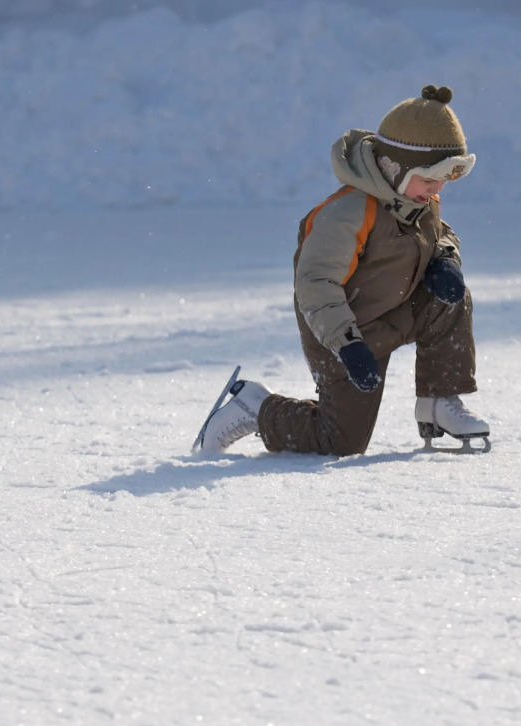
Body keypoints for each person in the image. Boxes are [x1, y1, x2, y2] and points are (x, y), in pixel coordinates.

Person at [194, 85, 489, 456]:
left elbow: (440, 233)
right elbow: (315, 284)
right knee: (340, 442)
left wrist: (445, 259)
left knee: (450, 299)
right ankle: (256, 408)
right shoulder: (348, 213)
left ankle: (440, 400)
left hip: (393, 311)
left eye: (443, 180)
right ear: (393, 167)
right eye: (430, 179)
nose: (437, 189)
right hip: (341, 332)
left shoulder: (417, 196)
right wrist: (347, 345)